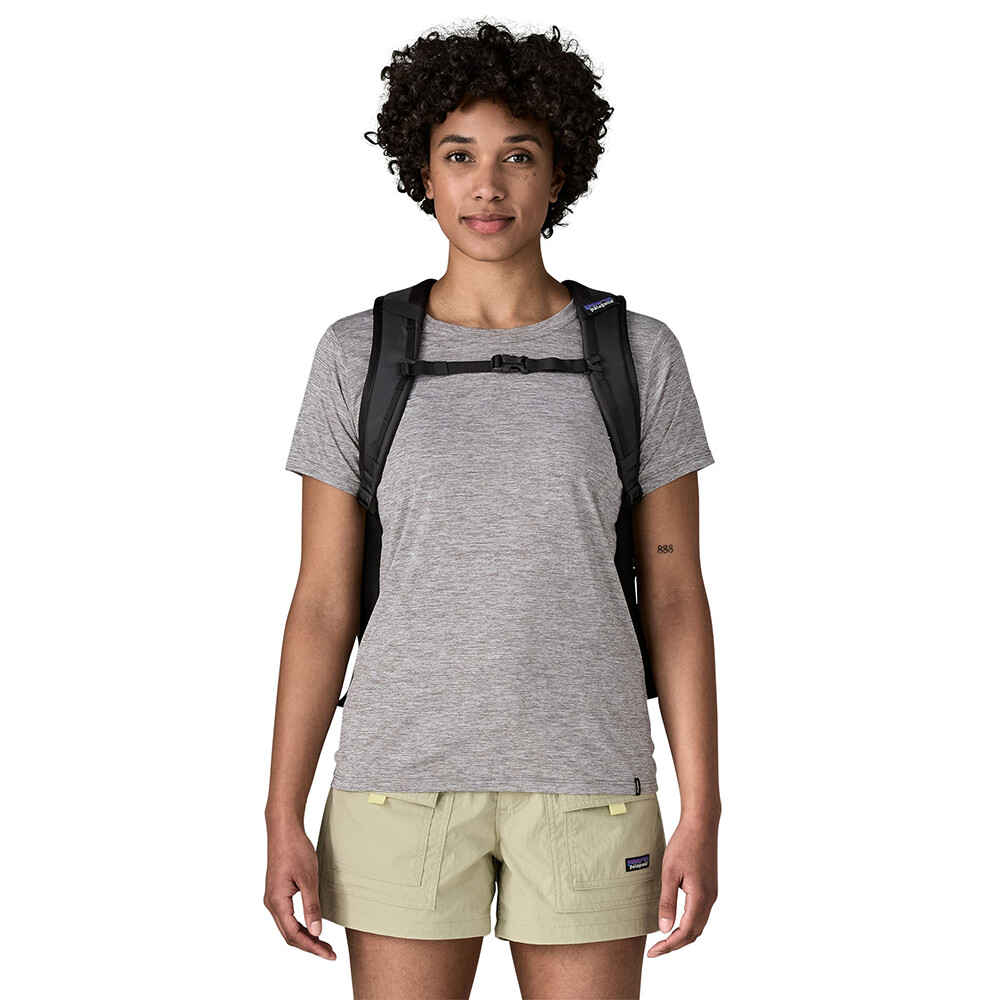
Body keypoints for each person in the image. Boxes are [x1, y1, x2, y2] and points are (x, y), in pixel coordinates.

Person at [264, 20, 720, 1000]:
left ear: (559, 174)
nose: (488, 186)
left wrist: (703, 809)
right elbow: (322, 602)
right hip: (397, 782)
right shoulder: (358, 353)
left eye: (518, 155)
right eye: (459, 155)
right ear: (423, 173)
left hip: (591, 783)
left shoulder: (636, 353)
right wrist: (280, 814)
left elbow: (677, 595)